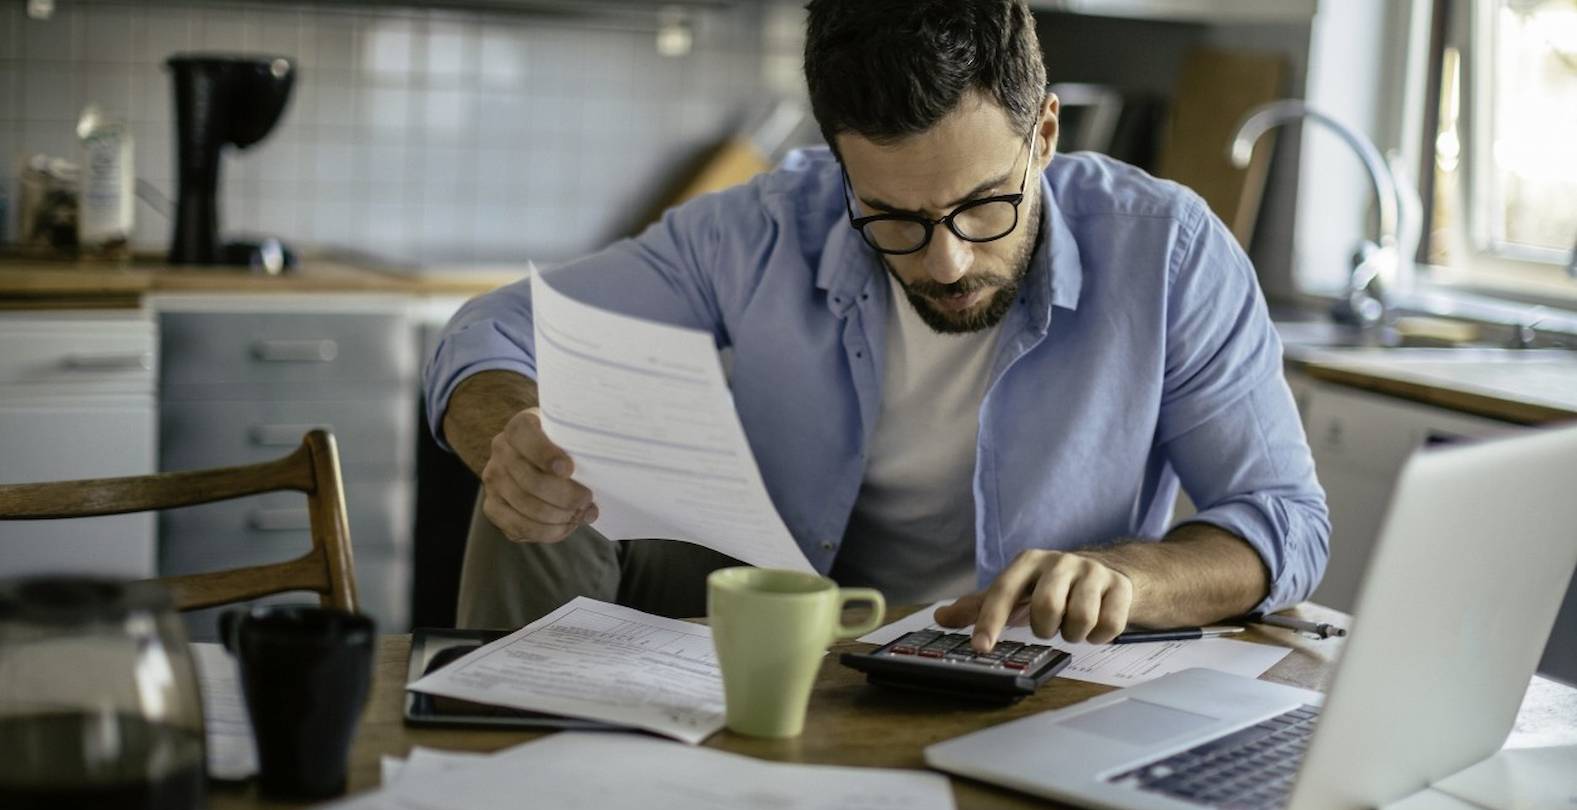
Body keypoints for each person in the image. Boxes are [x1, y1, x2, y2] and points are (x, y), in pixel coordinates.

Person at [424, 0, 1329, 651]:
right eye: (891, 216)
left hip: (1017, 661)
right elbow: (490, 333)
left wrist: (1131, 579)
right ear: (839, 168)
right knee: (537, 454)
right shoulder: (769, 223)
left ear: (1044, 133)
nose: (944, 261)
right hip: (783, 611)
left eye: (983, 207)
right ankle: (510, 774)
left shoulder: (1167, 251)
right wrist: (508, 435)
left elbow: (1282, 521)